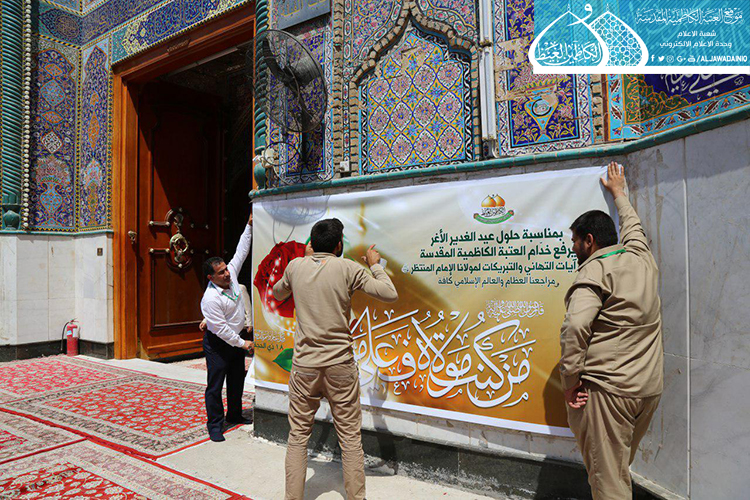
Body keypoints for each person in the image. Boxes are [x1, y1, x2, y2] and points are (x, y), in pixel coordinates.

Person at [272, 218, 398, 500]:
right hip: (340, 365)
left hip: (305, 367)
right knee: (350, 438)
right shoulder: (349, 268)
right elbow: (389, 293)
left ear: (312, 243)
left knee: (297, 438)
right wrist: (375, 264)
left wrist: (303, 262)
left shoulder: (296, 266)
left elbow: (277, 292)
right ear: (339, 245)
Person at [560, 162, 664, 499]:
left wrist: (570, 384)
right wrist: (619, 194)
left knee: (607, 482)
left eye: (575, 241)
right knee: (617, 470)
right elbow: (634, 227)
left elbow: (576, 326)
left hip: (609, 393)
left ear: (589, 241)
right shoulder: (641, 257)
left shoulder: (594, 272)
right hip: (648, 389)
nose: (572, 248)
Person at [200, 212, 254, 442]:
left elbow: (241, 251)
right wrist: (243, 344)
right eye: (221, 272)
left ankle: (234, 413)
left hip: (236, 340)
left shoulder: (231, 276)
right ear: (211, 277)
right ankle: (214, 424)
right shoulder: (210, 299)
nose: (227, 273)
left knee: (236, 378)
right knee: (215, 384)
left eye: (226, 268)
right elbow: (221, 330)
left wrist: (248, 226)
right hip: (218, 344)